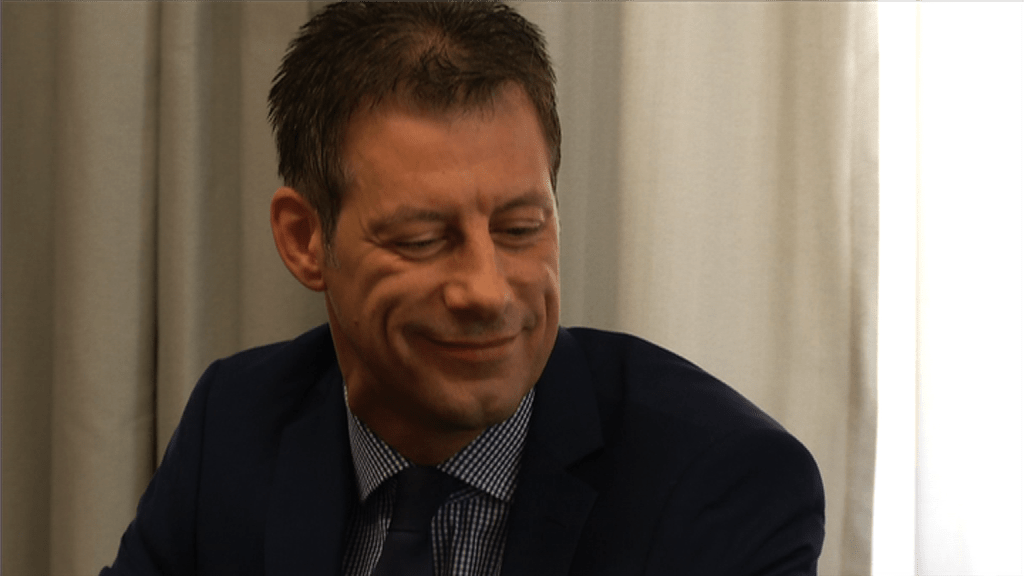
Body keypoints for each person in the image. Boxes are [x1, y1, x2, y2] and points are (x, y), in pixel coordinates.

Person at [102, 2, 825, 575]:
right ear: (305, 240)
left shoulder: (722, 484)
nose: (486, 291)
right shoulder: (236, 424)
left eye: (519, 229)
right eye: (421, 239)